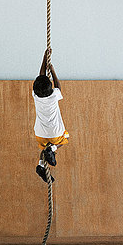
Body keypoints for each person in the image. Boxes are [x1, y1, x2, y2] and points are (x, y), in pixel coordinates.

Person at [32, 48, 69, 183]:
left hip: (40, 133)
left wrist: (44, 57)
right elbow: (58, 86)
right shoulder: (54, 96)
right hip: (54, 132)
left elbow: (41, 75)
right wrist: (52, 69)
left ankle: (41, 165)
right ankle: (53, 148)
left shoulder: (36, 96)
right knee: (63, 140)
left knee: (44, 148)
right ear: (51, 89)